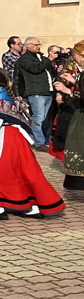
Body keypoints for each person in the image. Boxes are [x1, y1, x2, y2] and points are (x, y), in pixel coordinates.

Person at [0, 68, 65, 220]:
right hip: (13, 138)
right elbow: (1, 114)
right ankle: (29, 206)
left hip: (5, 141)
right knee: (19, 173)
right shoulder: (2, 95)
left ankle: (0, 207)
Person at [53, 41, 84, 189]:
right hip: (75, 109)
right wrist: (62, 91)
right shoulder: (70, 67)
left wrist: (69, 90)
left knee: (78, 142)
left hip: (80, 111)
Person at [14, 38, 55, 150]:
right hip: (36, 91)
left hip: (47, 91)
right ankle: (39, 142)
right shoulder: (25, 59)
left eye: (39, 44)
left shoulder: (41, 57)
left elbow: (50, 72)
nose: (39, 46)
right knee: (38, 118)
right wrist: (49, 59)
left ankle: (32, 139)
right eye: (36, 45)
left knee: (42, 117)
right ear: (28, 46)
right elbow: (35, 69)